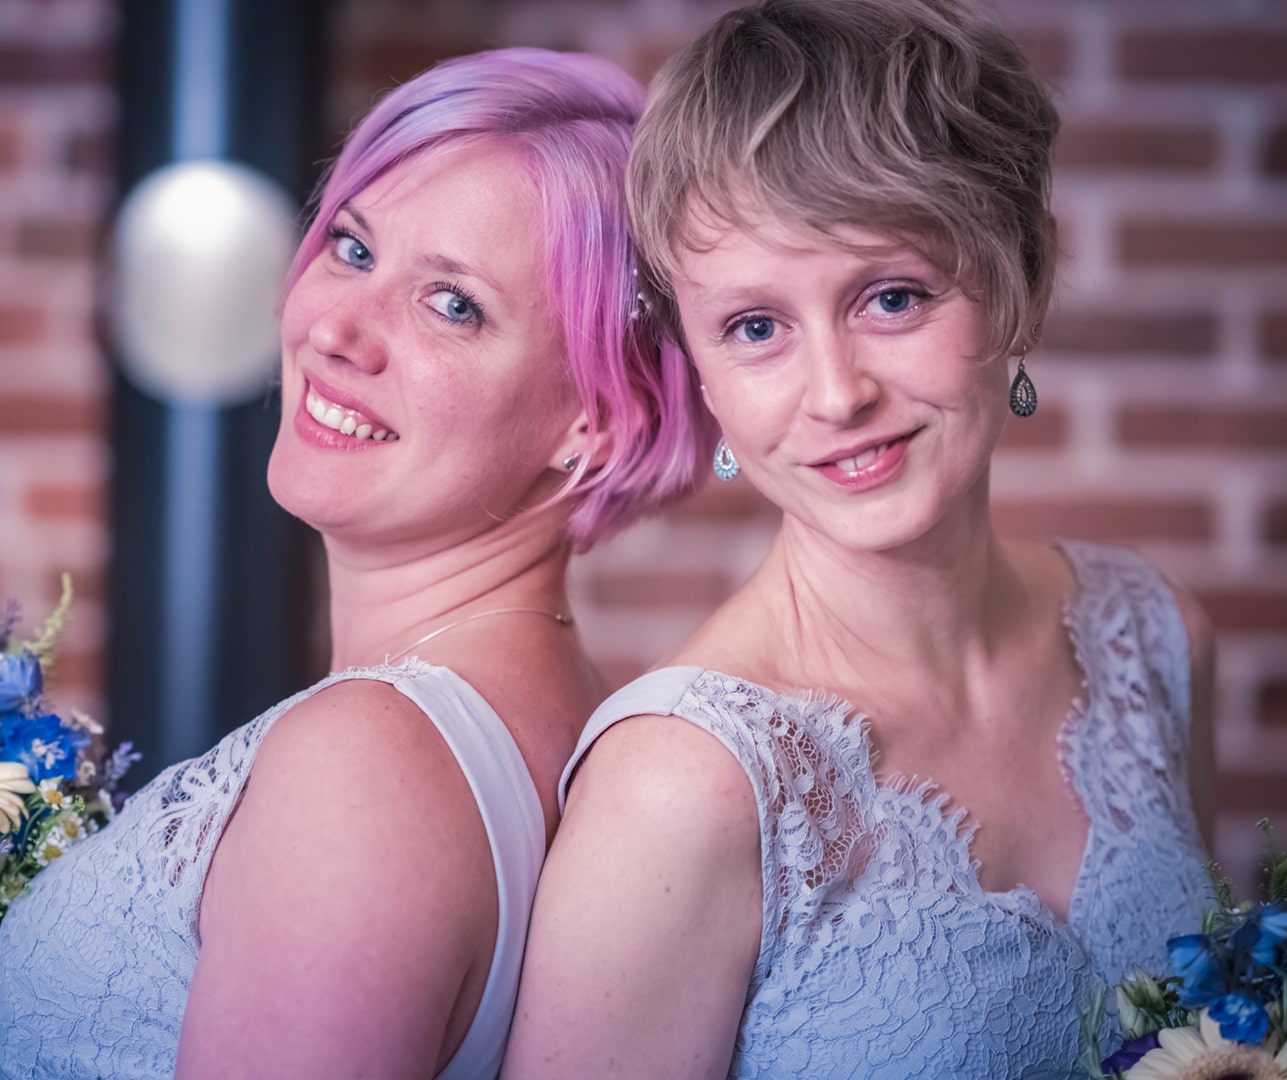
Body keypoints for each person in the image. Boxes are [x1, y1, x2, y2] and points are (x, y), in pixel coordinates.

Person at [0, 46, 704, 1080]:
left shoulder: (367, 762)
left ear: (595, 427)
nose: (335, 330)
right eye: (353, 247)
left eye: (451, 304)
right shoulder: (558, 717)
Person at [502, 2, 1218, 1077]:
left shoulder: (1156, 640)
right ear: (698, 364)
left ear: (1025, 279)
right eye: (756, 328)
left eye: (893, 297)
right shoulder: (680, 784)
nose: (836, 394)